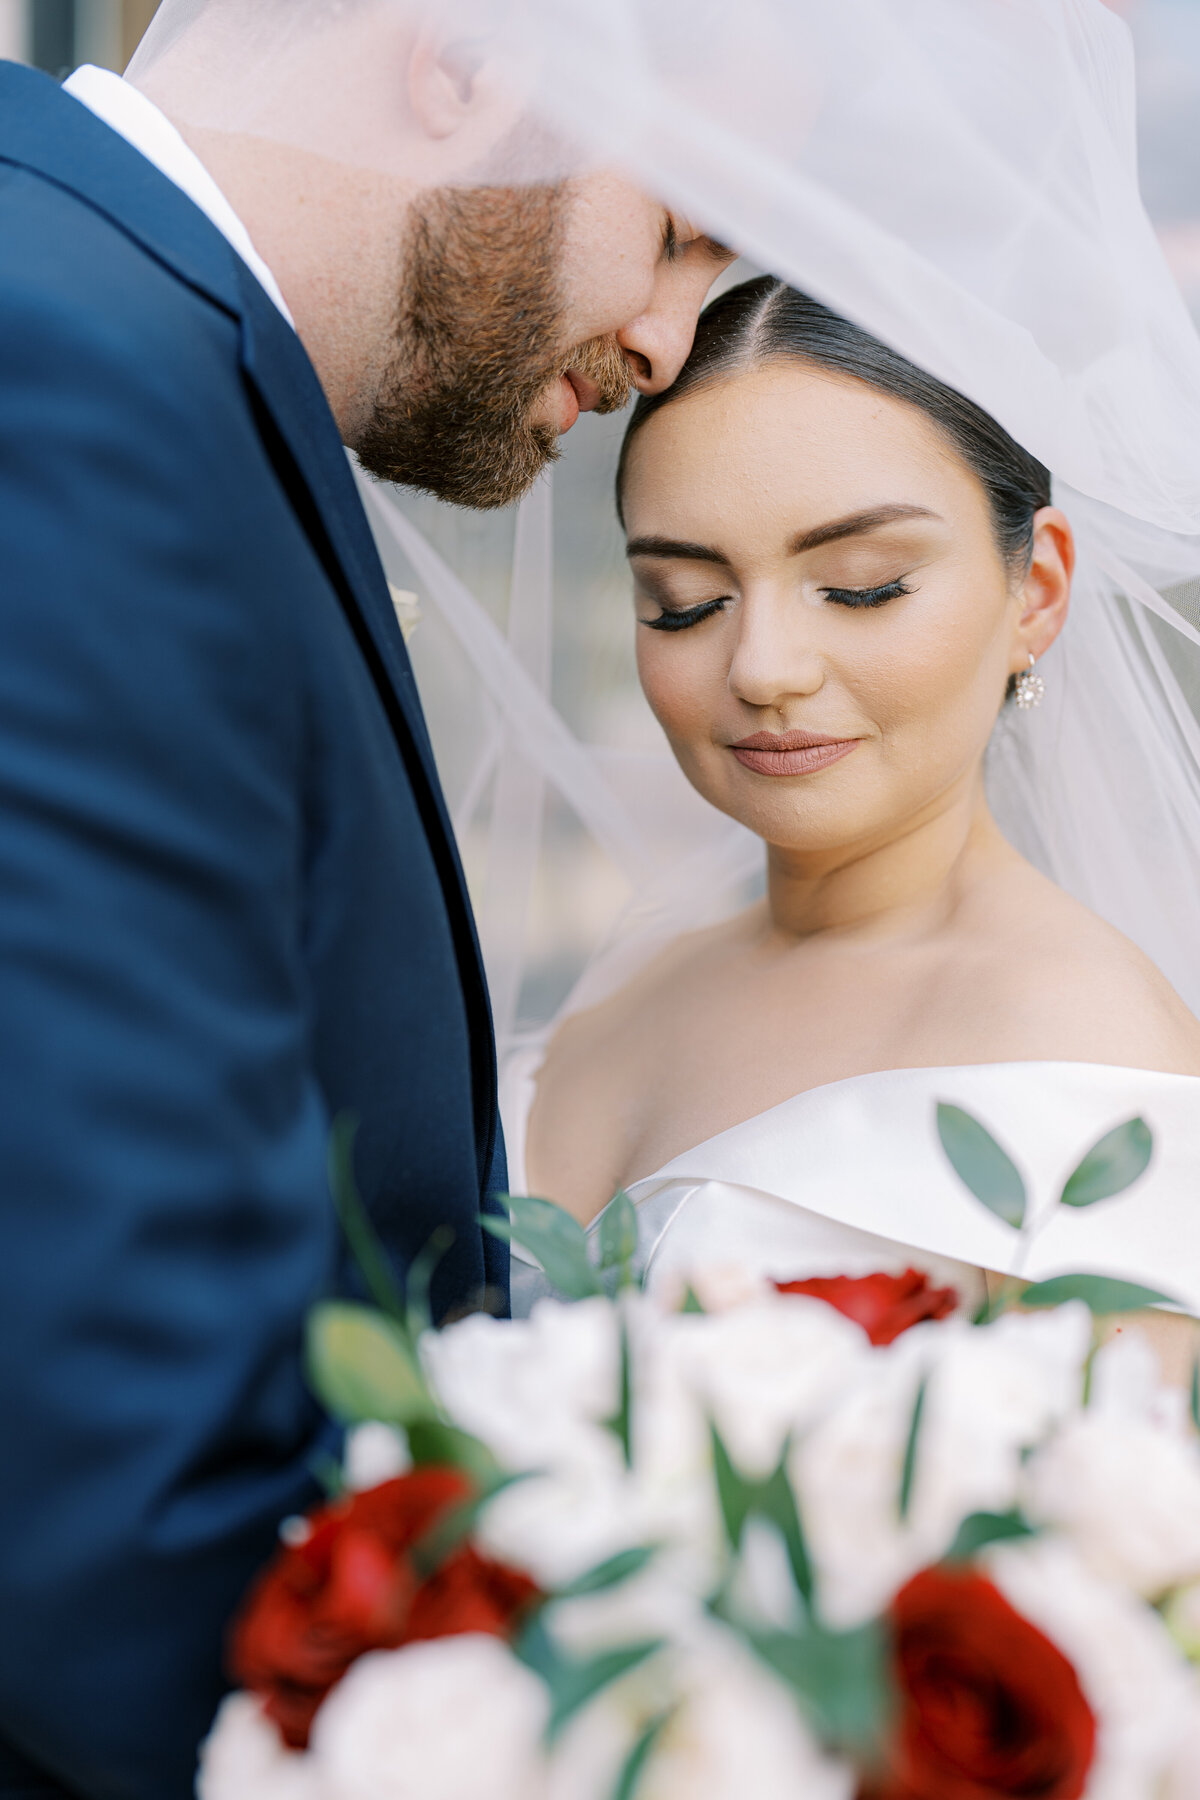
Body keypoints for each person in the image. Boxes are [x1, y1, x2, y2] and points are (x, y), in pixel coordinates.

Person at [0, 1, 731, 1793]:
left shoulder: (125, 326)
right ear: (468, 64)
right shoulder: (76, 377)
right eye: (682, 227)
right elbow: (111, 1492)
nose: (667, 337)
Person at [512, 281, 1200, 1350]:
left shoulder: (1088, 1059)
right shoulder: (630, 979)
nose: (763, 669)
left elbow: (1127, 1509)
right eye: (685, 601)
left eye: (863, 586)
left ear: (1039, 593)